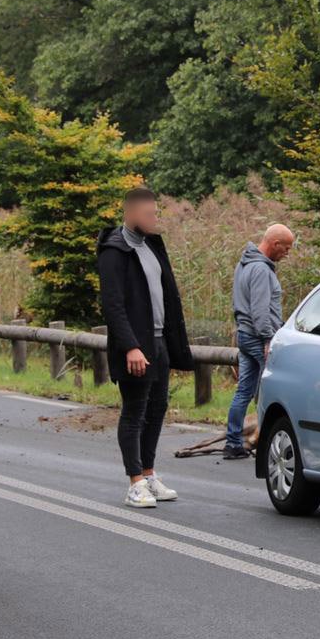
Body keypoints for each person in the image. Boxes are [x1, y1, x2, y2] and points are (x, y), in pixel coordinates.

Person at [97, 187, 194, 508]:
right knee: (135, 411)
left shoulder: (152, 245)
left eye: (156, 213)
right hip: (135, 348)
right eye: (150, 214)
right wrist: (130, 347)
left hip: (159, 344)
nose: (155, 218)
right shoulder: (115, 251)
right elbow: (113, 306)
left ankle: (149, 474)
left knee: (157, 409)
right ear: (131, 213)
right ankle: (134, 482)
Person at [224, 224, 295, 460]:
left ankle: (233, 442)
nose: (287, 253)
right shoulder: (262, 271)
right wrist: (268, 339)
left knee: (244, 389)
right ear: (275, 244)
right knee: (269, 393)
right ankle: (264, 445)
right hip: (259, 337)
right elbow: (261, 311)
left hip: (244, 333)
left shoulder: (244, 264)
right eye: (286, 248)